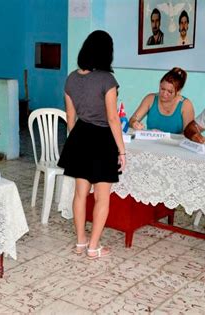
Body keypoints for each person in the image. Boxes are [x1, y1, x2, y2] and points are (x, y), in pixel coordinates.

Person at [58, 30, 126, 259]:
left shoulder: (71, 78)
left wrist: (75, 141)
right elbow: (113, 118)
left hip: (79, 135)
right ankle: (93, 247)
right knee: (101, 197)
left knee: (80, 194)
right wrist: (122, 150)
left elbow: (70, 117)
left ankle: (80, 242)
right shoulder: (107, 79)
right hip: (101, 138)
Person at [129, 67, 194, 134]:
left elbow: (189, 133)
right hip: (150, 143)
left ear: (178, 91)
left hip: (174, 144)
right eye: (162, 89)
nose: (164, 93)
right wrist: (134, 124)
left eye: (170, 91)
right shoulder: (150, 99)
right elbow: (132, 120)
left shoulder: (186, 105)